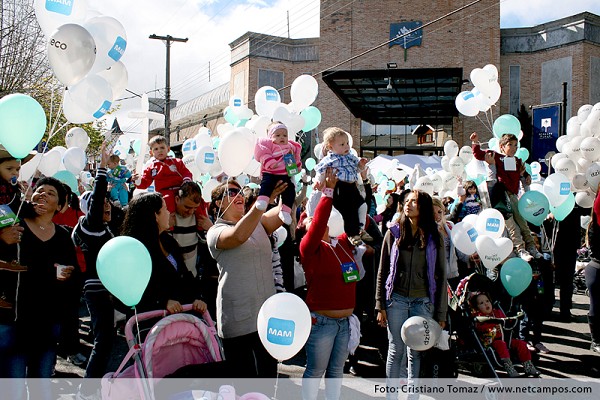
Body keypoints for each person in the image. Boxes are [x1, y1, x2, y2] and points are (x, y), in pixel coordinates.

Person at [0, 176, 78, 400]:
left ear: (60, 206)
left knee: (41, 387)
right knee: (12, 389)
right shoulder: (13, 225)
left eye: (51, 193)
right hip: (12, 320)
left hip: (46, 323)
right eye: (39, 190)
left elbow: (73, 278)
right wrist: (1, 239)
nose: (43, 194)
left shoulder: (63, 236)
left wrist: (68, 274)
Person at [206, 179, 287, 378]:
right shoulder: (215, 232)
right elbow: (238, 236)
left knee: (268, 379)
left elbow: (283, 212)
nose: (239, 195)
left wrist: (286, 185)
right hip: (239, 321)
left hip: (266, 317)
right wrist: (262, 203)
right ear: (218, 203)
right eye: (232, 192)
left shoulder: (258, 222)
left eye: (240, 191)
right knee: (245, 384)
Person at [375, 190, 447, 397]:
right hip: (395, 300)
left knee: (415, 352)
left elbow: (441, 276)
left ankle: (412, 396)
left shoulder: (434, 237)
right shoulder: (393, 233)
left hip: (422, 301)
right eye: (407, 201)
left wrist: (441, 313)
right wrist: (380, 304)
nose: (408, 204)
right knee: (395, 350)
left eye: (414, 201)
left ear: (423, 207)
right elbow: (382, 270)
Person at [300, 168, 359, 400]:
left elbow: (352, 215)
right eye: (310, 220)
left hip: (344, 323)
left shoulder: (342, 243)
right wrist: (327, 192)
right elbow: (319, 223)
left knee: (336, 372)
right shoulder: (309, 248)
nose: (317, 222)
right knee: (315, 371)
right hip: (322, 323)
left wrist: (353, 181)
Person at [72, 144, 117, 399]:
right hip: (97, 289)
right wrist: (102, 168)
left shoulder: (102, 227)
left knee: (107, 339)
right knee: (104, 342)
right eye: (101, 205)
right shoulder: (90, 226)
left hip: (107, 288)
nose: (106, 206)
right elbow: (98, 197)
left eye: (108, 204)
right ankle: (88, 390)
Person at [121, 192, 207, 315]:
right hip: (151, 321)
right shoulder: (135, 250)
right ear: (155, 215)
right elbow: (130, 292)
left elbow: (184, 276)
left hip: (179, 317)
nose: (169, 213)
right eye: (165, 209)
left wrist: (197, 298)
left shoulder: (169, 241)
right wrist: (162, 302)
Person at [471, 132, 540, 260]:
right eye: (510, 145)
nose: (514, 148)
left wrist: (527, 176)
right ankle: (520, 250)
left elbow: (523, 174)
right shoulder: (496, 156)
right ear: (502, 146)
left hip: (513, 196)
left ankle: (532, 247)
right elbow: (478, 154)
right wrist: (475, 142)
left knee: (523, 223)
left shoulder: (517, 161)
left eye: (516, 145)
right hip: (501, 197)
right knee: (512, 226)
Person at [314, 127, 369, 245]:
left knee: (362, 205)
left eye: (347, 143)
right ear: (330, 147)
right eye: (342, 144)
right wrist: (318, 181)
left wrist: (361, 164)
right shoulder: (330, 159)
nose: (346, 146)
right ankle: (352, 234)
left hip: (352, 186)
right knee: (349, 211)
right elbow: (321, 171)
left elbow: (357, 169)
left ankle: (361, 228)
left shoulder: (350, 157)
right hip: (340, 187)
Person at [471, 292, 541, 377]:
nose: (486, 304)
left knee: (521, 344)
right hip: (490, 341)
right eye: (481, 303)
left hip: (505, 338)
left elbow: (506, 321)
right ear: (477, 307)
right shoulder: (479, 317)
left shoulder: (497, 313)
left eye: (487, 301)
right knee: (501, 344)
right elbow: (480, 328)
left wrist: (512, 319)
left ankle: (528, 366)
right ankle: (509, 366)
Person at [254, 122, 302, 224]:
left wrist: (294, 164)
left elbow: (294, 164)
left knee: (290, 190)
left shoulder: (290, 147)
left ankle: (285, 211)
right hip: (270, 172)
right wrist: (271, 162)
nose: (282, 137)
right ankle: (262, 199)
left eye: (285, 135)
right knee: (266, 184)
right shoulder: (268, 145)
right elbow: (263, 154)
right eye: (278, 135)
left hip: (284, 175)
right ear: (270, 137)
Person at [133, 135, 193, 214]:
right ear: (151, 152)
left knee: (195, 197)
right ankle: (170, 220)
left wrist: (186, 180)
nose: (159, 151)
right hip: (165, 192)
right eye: (156, 149)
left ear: (168, 149)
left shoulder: (177, 162)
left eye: (162, 148)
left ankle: (202, 219)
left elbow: (186, 172)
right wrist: (137, 180)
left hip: (181, 189)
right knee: (167, 200)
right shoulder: (151, 167)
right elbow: (145, 183)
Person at [171, 181, 212, 277]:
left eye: (195, 208)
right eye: (187, 207)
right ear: (177, 199)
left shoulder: (199, 218)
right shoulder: (168, 217)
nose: (191, 212)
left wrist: (210, 228)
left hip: (191, 276)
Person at [585, 184, 600, 353]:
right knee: (596, 306)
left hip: (595, 269)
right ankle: (596, 341)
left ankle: (596, 341)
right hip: (596, 269)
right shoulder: (594, 227)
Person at [433, 197, 460, 287]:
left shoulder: (450, 225)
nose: (437, 216)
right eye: (433, 213)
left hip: (454, 272)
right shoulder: (428, 231)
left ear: (444, 211)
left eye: (439, 212)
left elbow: (458, 247)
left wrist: (469, 257)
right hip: (437, 276)